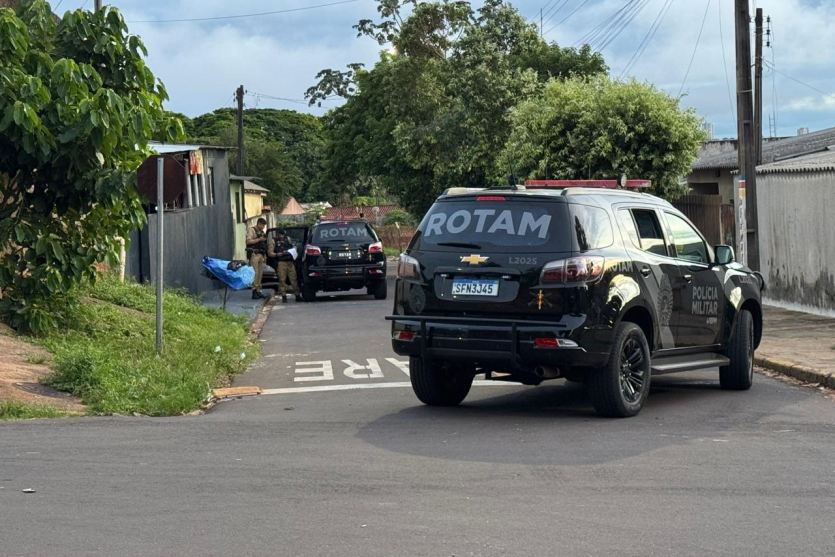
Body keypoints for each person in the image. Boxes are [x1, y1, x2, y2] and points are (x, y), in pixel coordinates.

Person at [270, 229, 298, 302]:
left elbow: (294, 247)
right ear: (277, 234)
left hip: (290, 262)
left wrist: (292, 251)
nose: (281, 236)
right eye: (280, 234)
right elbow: (270, 253)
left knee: (293, 279)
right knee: (282, 280)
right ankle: (283, 296)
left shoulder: (288, 239)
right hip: (281, 262)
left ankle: (297, 295)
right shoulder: (274, 241)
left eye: (283, 234)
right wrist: (277, 254)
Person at [246, 217, 269, 299]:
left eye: (264, 226)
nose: (263, 227)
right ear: (258, 223)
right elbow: (248, 241)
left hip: (261, 255)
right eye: (262, 225)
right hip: (254, 254)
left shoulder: (262, 232)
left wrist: (265, 256)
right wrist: (259, 239)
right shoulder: (251, 230)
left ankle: (258, 291)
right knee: (255, 273)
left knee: (260, 274)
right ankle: (254, 291)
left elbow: (264, 244)